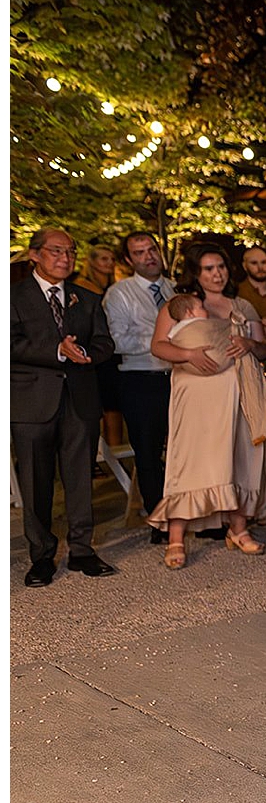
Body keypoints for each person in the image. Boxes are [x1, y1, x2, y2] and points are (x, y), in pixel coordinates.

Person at [148, 241, 266, 569]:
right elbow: (159, 346)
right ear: (196, 273)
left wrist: (250, 344)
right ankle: (176, 537)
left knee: (239, 457)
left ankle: (238, 529)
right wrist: (189, 354)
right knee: (189, 460)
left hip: (239, 391)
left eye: (220, 267)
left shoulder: (242, 305)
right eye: (208, 268)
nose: (217, 274)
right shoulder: (181, 305)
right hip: (197, 394)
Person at [11, 228, 117, 585]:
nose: (65, 258)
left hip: (80, 400)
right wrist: (58, 351)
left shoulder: (86, 299)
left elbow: (105, 343)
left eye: (71, 252)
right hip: (31, 403)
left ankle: (82, 550)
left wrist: (85, 353)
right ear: (34, 255)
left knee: (80, 480)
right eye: (56, 251)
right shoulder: (12, 295)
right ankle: (41, 556)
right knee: (35, 482)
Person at [101, 230, 176, 534]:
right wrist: (162, 339)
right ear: (130, 259)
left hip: (180, 378)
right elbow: (117, 341)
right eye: (140, 252)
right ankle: (159, 519)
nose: (148, 256)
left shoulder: (174, 289)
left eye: (152, 249)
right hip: (141, 379)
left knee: (183, 449)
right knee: (147, 451)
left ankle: (185, 513)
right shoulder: (121, 294)